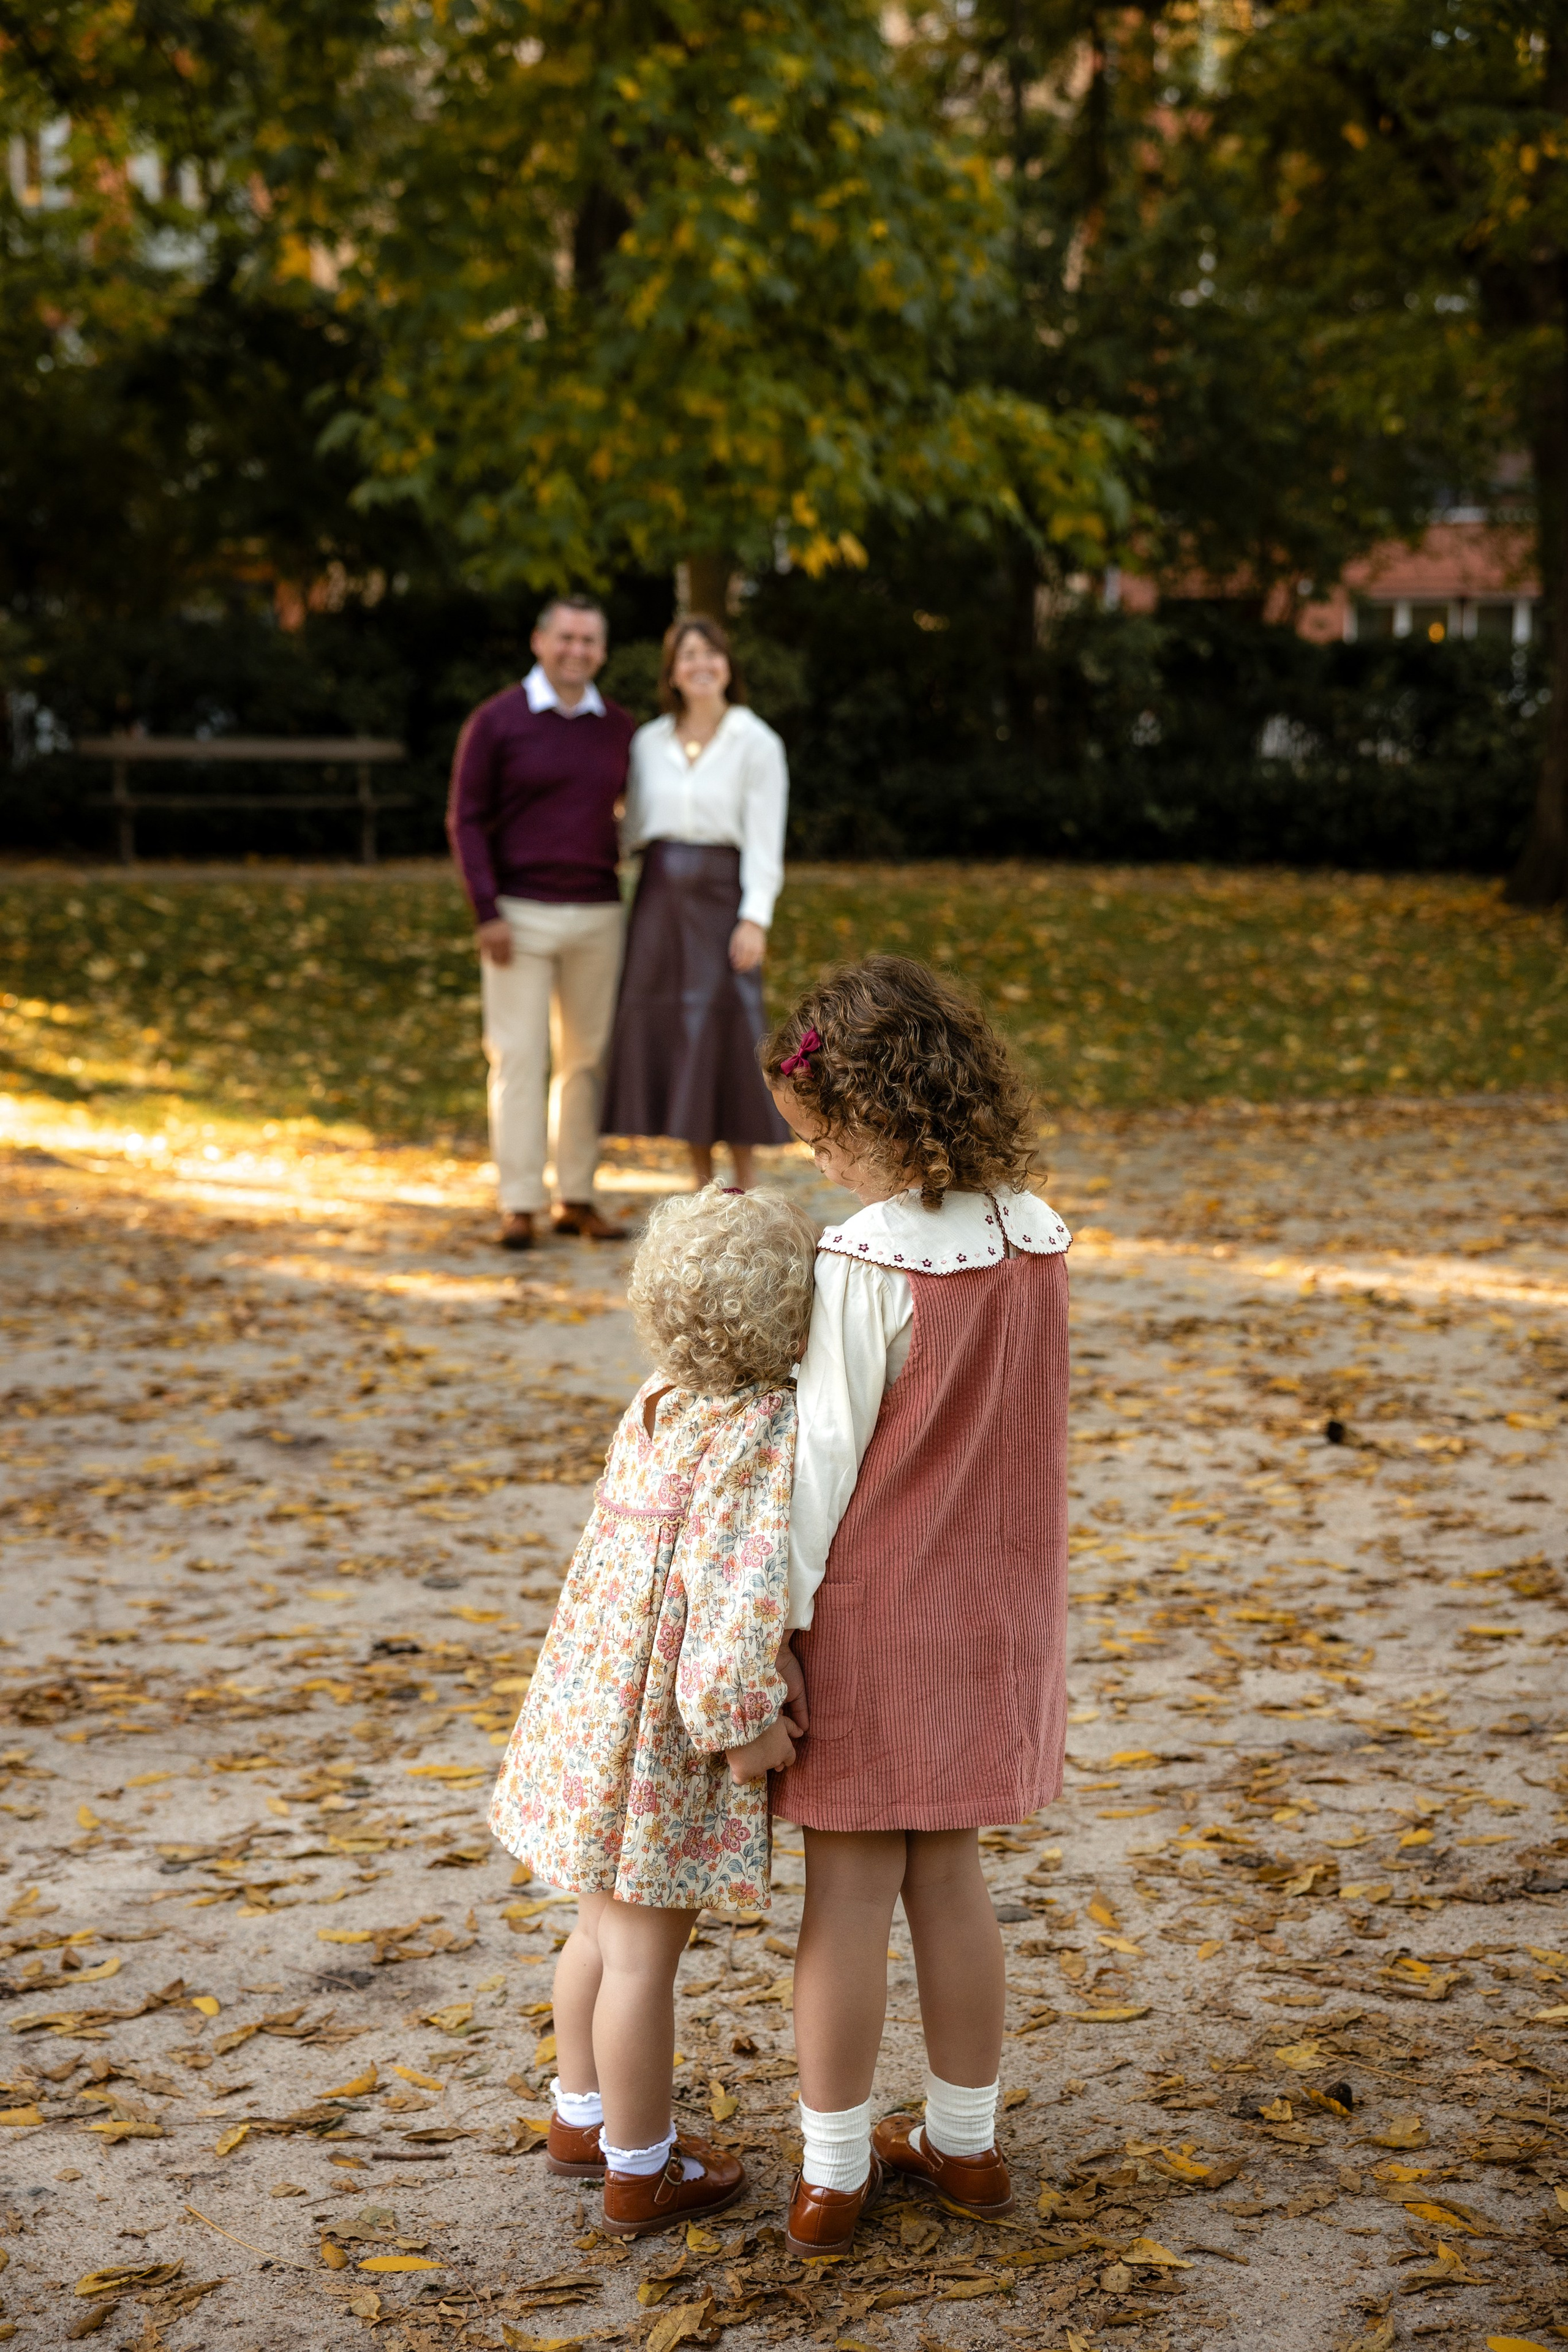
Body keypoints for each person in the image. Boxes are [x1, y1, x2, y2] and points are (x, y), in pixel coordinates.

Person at [760, 957, 1073, 2256]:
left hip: (876, 1612)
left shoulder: (865, 1257)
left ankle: (833, 2177)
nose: (821, 1164)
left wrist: (772, 1622)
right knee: (951, 1878)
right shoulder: (1039, 1235)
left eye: (822, 1138)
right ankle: (966, 2144)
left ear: (881, 1112)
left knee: (845, 1892)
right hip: (998, 1610)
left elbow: (820, 1462)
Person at [488, 1185, 816, 2237]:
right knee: (640, 1957)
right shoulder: (756, 1424)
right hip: (655, 1737)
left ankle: (580, 2116)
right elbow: (732, 1589)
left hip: (593, 1708)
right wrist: (744, 1721)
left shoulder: (659, 1398)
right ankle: (640, 2168)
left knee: (596, 1930)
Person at [447, 594, 634, 1250]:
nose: (576, 650)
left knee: (586, 1061)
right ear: (539, 641)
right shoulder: (497, 721)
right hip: (517, 916)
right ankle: (519, 1202)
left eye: (588, 640)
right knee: (518, 1057)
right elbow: (466, 819)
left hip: (598, 912)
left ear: (601, 651)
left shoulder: (619, 728)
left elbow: (636, 814)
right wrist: (486, 910)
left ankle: (575, 1196)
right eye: (566, 638)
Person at [600, 614, 792, 1190]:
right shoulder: (648, 742)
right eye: (688, 655)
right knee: (677, 1030)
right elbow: (631, 827)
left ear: (727, 667)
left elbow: (766, 838)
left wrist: (755, 917)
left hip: (723, 899)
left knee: (728, 1029)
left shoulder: (756, 742)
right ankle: (701, 1184)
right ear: (673, 673)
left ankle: (746, 1183)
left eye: (711, 653)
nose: (701, 664)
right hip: (658, 900)